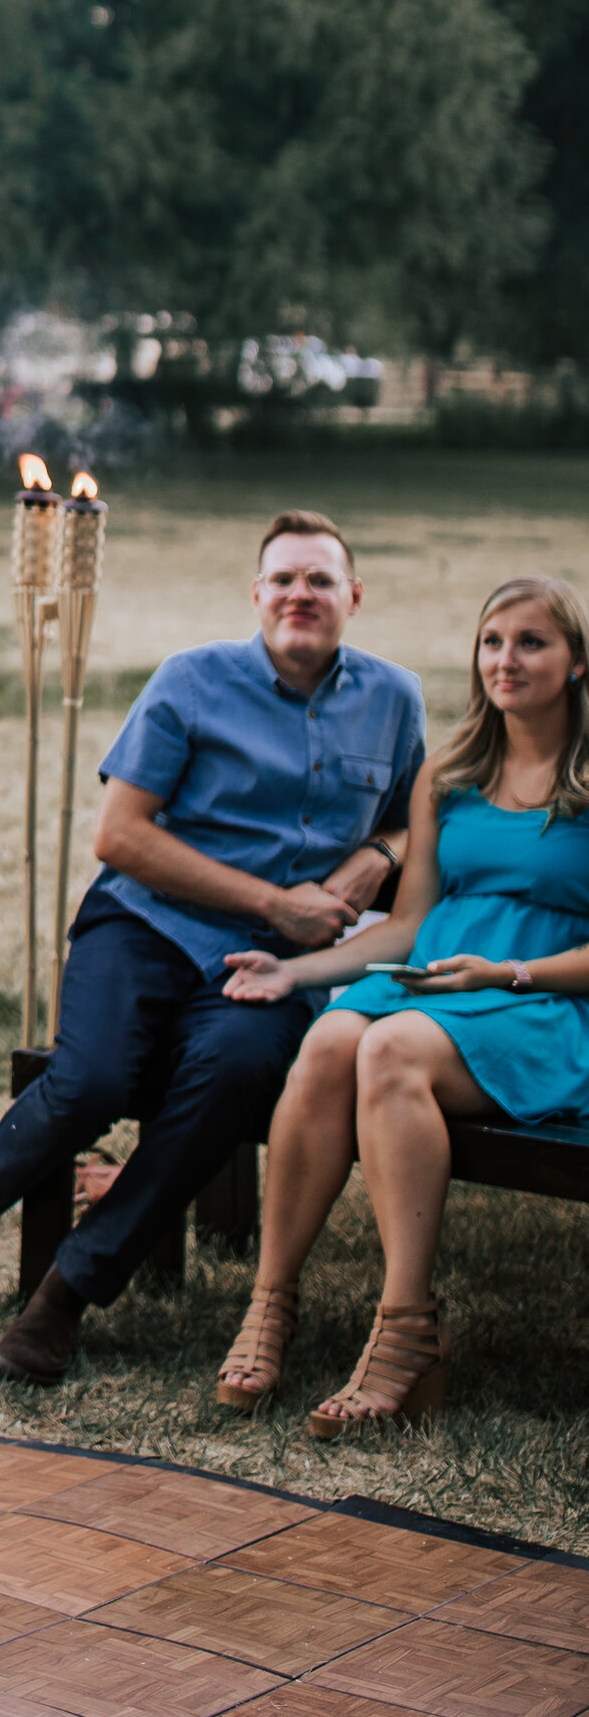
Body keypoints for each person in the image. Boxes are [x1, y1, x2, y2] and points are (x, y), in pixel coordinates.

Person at [0, 509, 424, 1386]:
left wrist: (378, 855)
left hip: (273, 968)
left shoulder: (393, 699)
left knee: (230, 1080)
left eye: (321, 580)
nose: (302, 594)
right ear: (256, 595)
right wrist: (274, 901)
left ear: (354, 598)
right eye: (285, 579)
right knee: (97, 1078)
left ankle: (69, 1292)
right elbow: (121, 837)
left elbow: (418, 826)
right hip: (148, 923)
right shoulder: (191, 680)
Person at [215, 572, 589, 1436]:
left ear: (576, 664)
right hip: (434, 982)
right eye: (492, 643)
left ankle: (405, 1331)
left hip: (544, 996)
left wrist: (505, 976)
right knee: (331, 1041)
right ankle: (271, 1302)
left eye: (532, 643)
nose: (506, 660)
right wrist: (296, 973)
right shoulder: (451, 773)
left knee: (387, 1052)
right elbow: (411, 923)